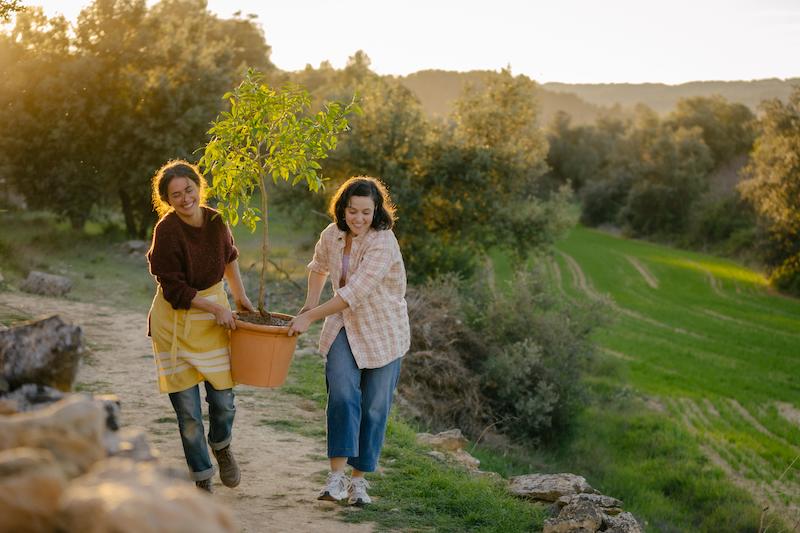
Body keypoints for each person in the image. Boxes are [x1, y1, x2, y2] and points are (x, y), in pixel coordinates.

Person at [288, 176, 410, 506]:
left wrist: (309, 319)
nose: (358, 218)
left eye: (365, 212)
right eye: (352, 211)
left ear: (376, 212)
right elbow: (318, 267)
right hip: (344, 327)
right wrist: (310, 304)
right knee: (341, 394)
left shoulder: (383, 242)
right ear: (343, 208)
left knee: (374, 407)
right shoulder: (332, 234)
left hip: (383, 331)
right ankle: (336, 478)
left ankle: (359, 481)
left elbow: (354, 292)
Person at [146, 159, 255, 493]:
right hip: (175, 324)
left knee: (223, 401)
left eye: (188, 190)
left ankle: (221, 447)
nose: (184, 198)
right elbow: (174, 289)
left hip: (213, 321)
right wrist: (211, 307)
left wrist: (240, 299)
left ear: (199, 186)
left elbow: (230, 258)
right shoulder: (166, 232)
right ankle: (202, 478)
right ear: (166, 199)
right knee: (189, 415)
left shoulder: (216, 220)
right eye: (175, 194)